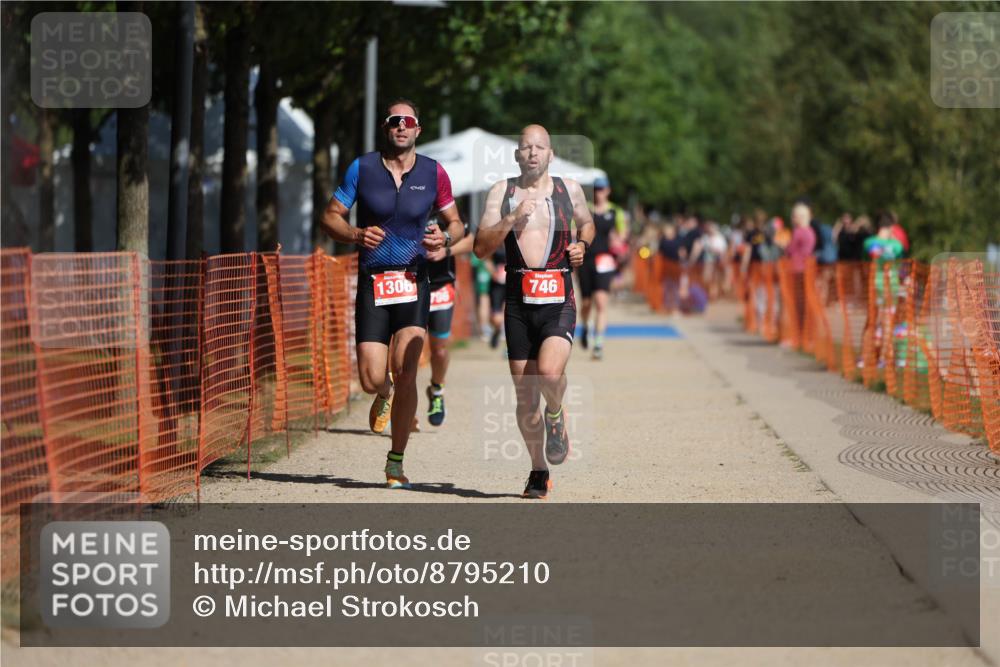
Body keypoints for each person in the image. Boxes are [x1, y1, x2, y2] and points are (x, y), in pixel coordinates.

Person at [320, 98, 465, 489]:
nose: (402, 126)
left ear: (418, 129)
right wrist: (354, 233)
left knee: (406, 371)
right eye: (394, 121)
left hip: (414, 281)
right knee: (370, 377)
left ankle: (396, 460)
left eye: (409, 121)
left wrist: (445, 236)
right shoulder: (362, 169)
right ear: (386, 128)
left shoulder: (434, 174)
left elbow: (457, 223)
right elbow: (330, 216)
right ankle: (380, 394)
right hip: (372, 282)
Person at [474, 124, 595, 499]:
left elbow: (587, 223)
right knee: (526, 401)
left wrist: (582, 245)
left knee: (549, 373)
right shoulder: (502, 192)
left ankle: (556, 414)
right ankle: (538, 470)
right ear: (516, 155)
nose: (532, 153)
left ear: (550, 154)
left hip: (558, 296)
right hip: (517, 302)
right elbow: (480, 246)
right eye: (526, 147)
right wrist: (510, 219)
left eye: (539, 147)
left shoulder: (568, 189)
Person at [422, 218, 474, 426]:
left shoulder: (446, 208)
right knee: (407, 349)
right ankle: (398, 403)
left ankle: (437, 390)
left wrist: (446, 250)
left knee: (439, 350)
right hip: (410, 282)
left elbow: (471, 240)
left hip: (441, 285)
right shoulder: (403, 196)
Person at [578, 175, 627, 360]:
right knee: (587, 303)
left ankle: (598, 344)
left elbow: (622, 234)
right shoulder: (586, 210)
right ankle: (584, 326)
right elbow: (575, 231)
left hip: (605, 260)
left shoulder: (616, 212)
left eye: (602, 189)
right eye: (596, 189)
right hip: (586, 260)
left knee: (601, 302)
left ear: (608, 190)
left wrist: (619, 241)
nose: (599, 193)